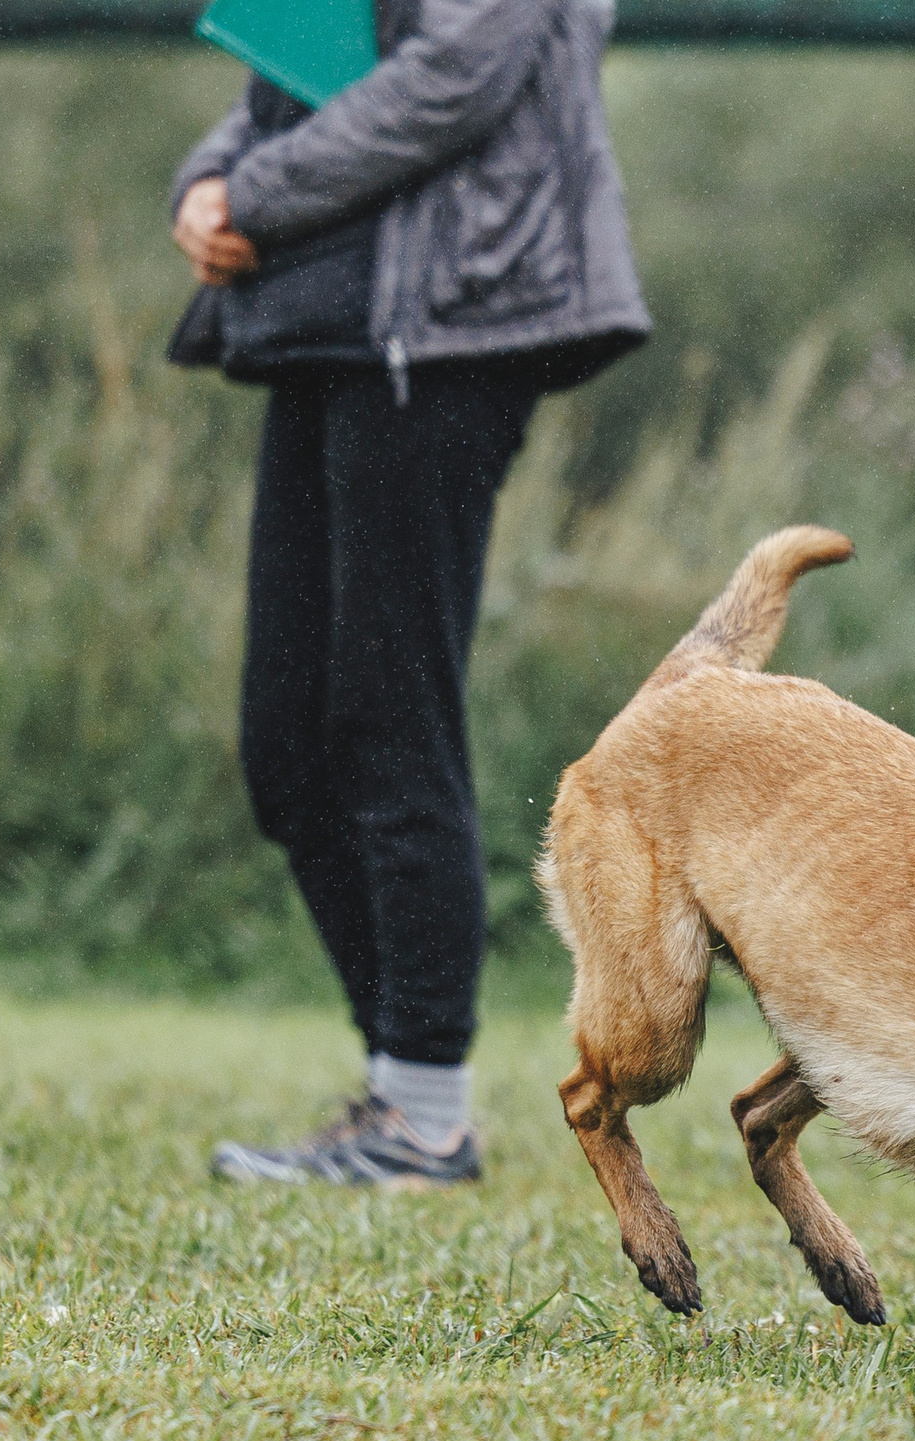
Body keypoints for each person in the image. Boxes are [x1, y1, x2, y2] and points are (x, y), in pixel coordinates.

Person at [167, 0, 648, 1187]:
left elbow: (455, 76)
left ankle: (424, 1114)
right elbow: (299, 68)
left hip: (448, 336)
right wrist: (209, 179)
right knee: (286, 742)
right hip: (325, 323)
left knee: (389, 720)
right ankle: (400, 1093)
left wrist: (258, 195)